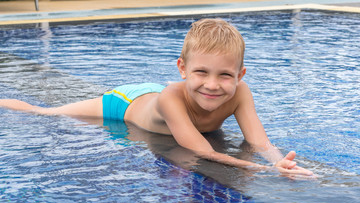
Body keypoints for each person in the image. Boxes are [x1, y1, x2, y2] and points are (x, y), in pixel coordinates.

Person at [0, 18, 313, 176]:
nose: (213, 85)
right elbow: (203, 151)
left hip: (166, 93)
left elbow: (259, 142)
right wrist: (260, 170)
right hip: (125, 102)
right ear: (183, 68)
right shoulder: (169, 99)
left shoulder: (241, 92)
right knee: (46, 113)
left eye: (225, 75)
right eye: (202, 72)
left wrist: (278, 162)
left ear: (240, 76)